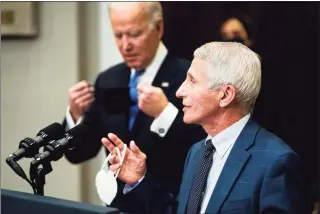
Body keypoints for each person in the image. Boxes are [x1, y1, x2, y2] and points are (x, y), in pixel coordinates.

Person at [103, 42, 304, 213]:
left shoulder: (276, 162)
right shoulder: (198, 151)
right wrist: (139, 180)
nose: (180, 91)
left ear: (225, 95)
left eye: (192, 80)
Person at [62, 2, 206, 213]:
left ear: (159, 28)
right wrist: (75, 116)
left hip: (170, 206)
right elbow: (80, 153)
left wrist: (165, 114)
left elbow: (205, 149)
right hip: (118, 208)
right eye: (118, 35)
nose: (125, 45)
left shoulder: (190, 77)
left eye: (134, 34)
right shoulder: (108, 79)